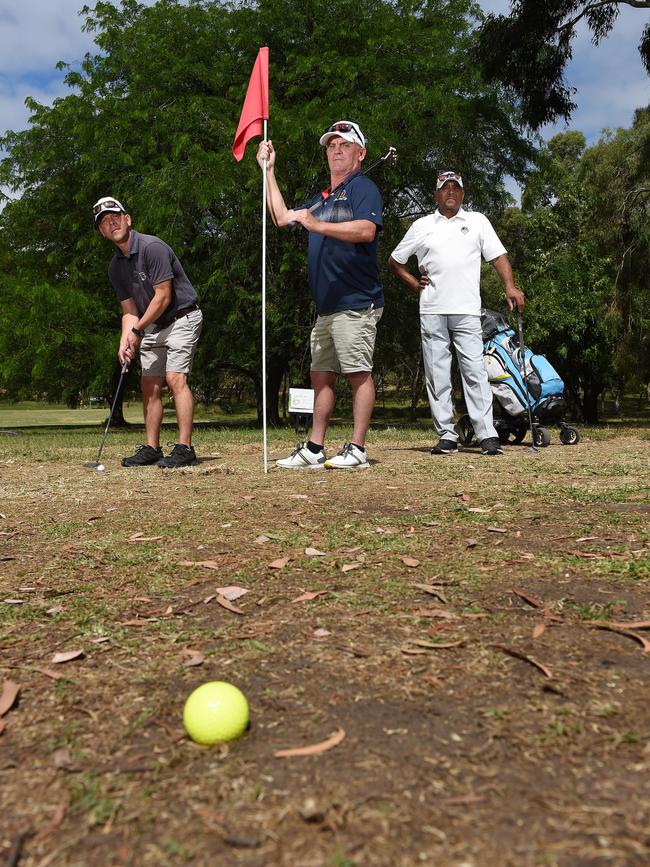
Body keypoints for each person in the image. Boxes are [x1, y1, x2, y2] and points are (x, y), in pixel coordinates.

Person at [256, 121, 384, 469]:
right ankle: (315, 448)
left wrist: (317, 225)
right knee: (321, 375)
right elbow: (281, 217)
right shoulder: (322, 199)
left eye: (344, 144)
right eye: (331, 145)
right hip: (326, 307)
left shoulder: (363, 188)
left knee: (358, 373)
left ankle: (357, 449)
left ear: (361, 153)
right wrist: (269, 171)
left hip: (356, 301)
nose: (336, 150)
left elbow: (366, 230)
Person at [388, 171, 525, 456]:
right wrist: (414, 283)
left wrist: (510, 286)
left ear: (462, 194)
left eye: (456, 188)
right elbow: (395, 260)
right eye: (444, 188)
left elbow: (498, 257)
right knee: (437, 375)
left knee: (474, 370)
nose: (450, 192)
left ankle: (487, 434)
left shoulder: (477, 221)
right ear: (436, 194)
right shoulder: (421, 226)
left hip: (467, 310)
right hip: (432, 309)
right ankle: (447, 435)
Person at [93, 196, 203, 468]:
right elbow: (129, 309)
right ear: (102, 232)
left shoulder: (152, 247)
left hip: (182, 317)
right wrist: (125, 340)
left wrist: (137, 331)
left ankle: (185, 448)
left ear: (127, 219)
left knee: (175, 378)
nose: (112, 222)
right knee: (149, 385)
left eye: (115, 216)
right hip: (152, 324)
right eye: (105, 222)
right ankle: (152, 448)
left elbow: (163, 297)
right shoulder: (115, 267)